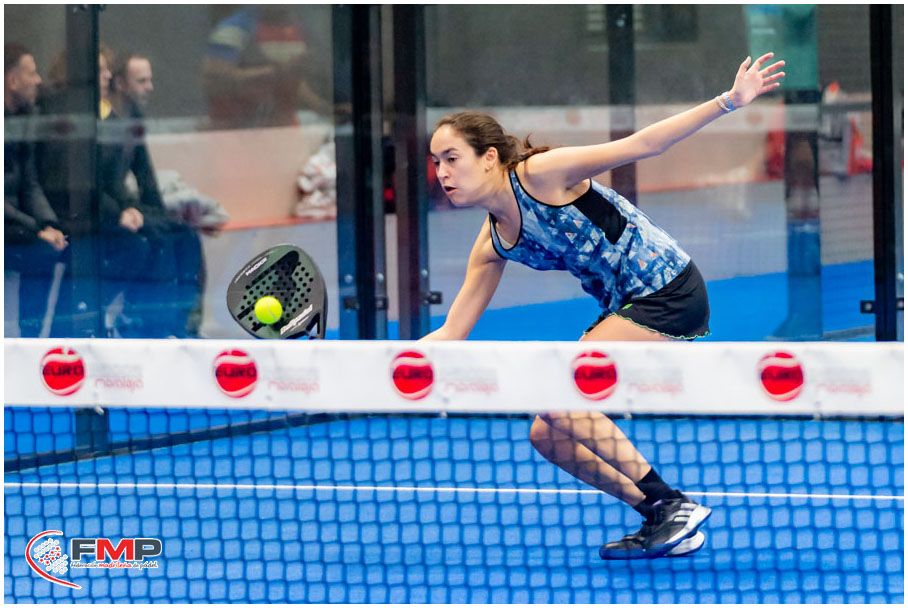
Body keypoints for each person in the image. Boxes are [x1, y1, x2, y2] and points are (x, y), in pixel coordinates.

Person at [424, 53, 785, 559]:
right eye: (436, 162)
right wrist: (368, 367)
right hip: (627, 305)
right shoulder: (492, 243)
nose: (442, 172)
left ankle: (671, 504)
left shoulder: (540, 174)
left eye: (451, 158)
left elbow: (644, 144)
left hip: (668, 290)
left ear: (488, 157)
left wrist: (729, 101)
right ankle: (660, 514)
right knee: (547, 434)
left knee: (559, 395)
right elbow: (450, 334)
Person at [102, 51, 205, 337]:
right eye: (141, 81)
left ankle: (185, 323)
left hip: (126, 206)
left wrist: (161, 216)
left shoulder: (133, 119)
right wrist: (124, 211)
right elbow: (98, 184)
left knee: (185, 235)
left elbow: (145, 176)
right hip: (106, 210)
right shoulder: (105, 124)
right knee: (156, 239)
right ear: (120, 83)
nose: (150, 87)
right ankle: (147, 322)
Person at [4, 43, 69, 337]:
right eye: (31, 73)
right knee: (39, 247)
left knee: (55, 245)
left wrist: (48, 224)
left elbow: (30, 182)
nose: (39, 80)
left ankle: (35, 338)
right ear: (12, 80)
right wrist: (35, 228)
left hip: (17, 222)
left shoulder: (26, 118)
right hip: (10, 222)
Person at [201, 5, 334, 129]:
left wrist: (323, 108)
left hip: (283, 130)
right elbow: (216, 80)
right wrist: (278, 71)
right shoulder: (234, 28)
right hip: (238, 131)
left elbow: (291, 81)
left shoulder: (294, 28)